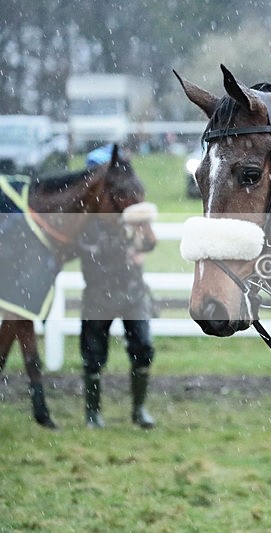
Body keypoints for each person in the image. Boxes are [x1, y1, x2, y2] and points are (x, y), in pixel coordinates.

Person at [78, 144, 158, 429]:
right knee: (93, 354)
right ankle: (93, 414)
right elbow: (87, 249)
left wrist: (140, 242)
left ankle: (138, 410)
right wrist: (121, 246)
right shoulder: (87, 215)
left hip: (132, 291)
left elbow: (148, 241)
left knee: (143, 347)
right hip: (99, 293)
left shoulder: (129, 209)